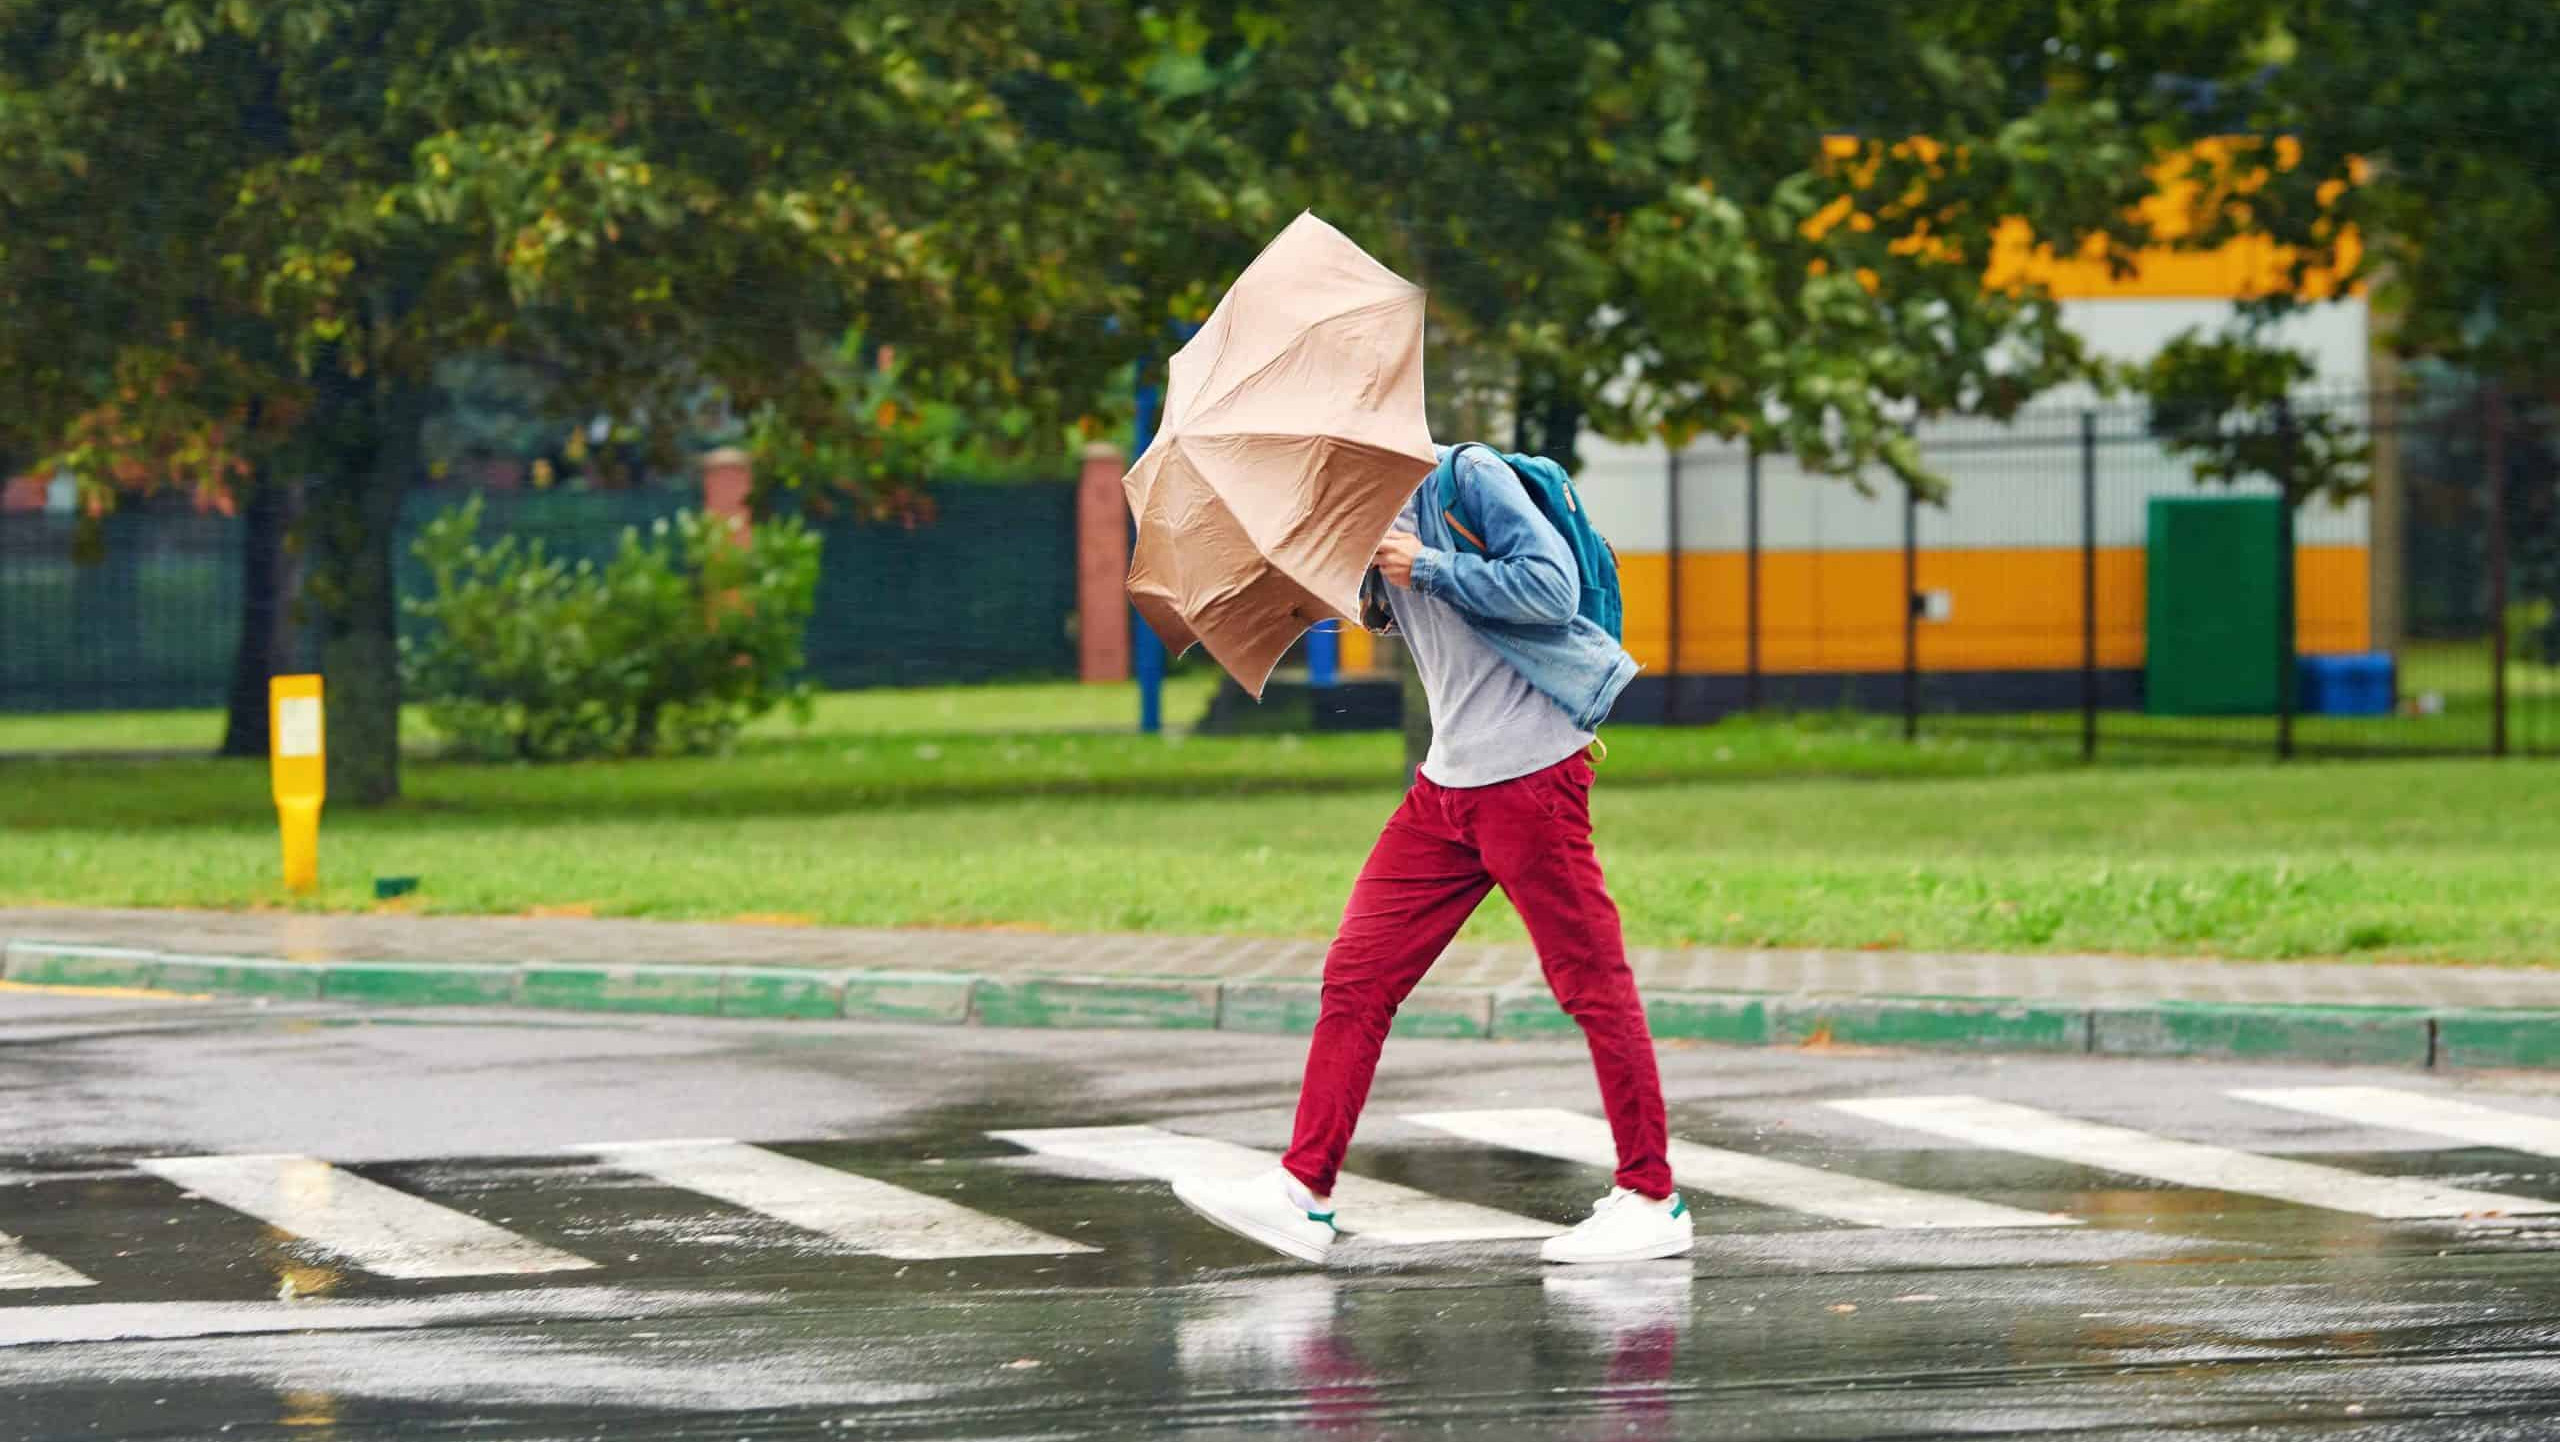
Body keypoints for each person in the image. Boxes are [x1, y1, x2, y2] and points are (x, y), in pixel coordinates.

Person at [1172, 442, 1689, 1266]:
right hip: (1446, 790)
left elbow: (1551, 589)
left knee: (1591, 981)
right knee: (1356, 975)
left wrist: (1428, 566)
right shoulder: (1361, 513)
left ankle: (1652, 1197)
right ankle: (1303, 1192)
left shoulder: (1467, 478)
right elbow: (1397, 615)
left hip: (1530, 779)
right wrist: (1344, 580)